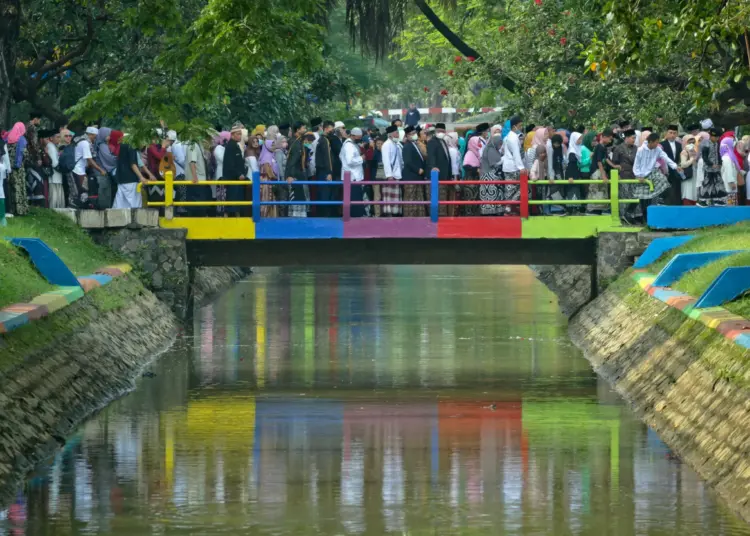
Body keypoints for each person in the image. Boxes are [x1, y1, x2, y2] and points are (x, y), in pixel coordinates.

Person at [633, 132, 680, 220]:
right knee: (640, 196)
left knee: (664, 181)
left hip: (652, 172)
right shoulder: (640, 150)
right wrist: (638, 175)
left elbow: (665, 157)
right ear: (650, 142)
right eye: (656, 142)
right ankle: (636, 215)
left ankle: (661, 200)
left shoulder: (657, 149)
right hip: (641, 175)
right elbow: (636, 164)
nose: (657, 144)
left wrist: (675, 166)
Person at [113, 139, 153, 209]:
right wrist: (141, 177)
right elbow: (133, 164)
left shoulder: (123, 146)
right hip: (131, 180)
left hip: (121, 180)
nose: (143, 146)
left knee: (120, 204)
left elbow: (139, 163)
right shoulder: (132, 147)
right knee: (135, 205)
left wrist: (150, 174)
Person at [4, 122, 29, 215]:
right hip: (18, 169)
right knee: (19, 187)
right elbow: (25, 154)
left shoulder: (8, 138)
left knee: (11, 188)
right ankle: (20, 210)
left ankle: (11, 209)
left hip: (8, 167)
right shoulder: (21, 140)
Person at [223, 123, 248, 217]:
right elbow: (230, 164)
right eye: (238, 134)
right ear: (232, 135)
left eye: (240, 134)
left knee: (237, 202)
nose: (240, 136)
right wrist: (238, 174)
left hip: (238, 178)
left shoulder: (236, 145)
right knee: (232, 201)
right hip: (233, 179)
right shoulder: (231, 146)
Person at [501, 116, 525, 210]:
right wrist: (521, 167)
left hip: (507, 166)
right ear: (514, 126)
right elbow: (516, 154)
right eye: (520, 125)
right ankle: (510, 205)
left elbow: (503, 151)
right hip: (514, 167)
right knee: (522, 188)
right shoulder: (514, 138)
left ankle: (508, 207)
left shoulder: (507, 137)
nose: (521, 127)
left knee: (509, 189)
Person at [285, 121, 309, 218]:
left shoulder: (299, 141)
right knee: (297, 198)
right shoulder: (295, 143)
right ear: (298, 130)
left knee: (300, 197)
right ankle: (296, 221)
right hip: (295, 175)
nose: (305, 130)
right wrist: (290, 175)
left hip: (299, 174)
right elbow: (292, 161)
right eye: (303, 128)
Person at [341, 127, 366, 217]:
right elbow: (350, 161)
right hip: (352, 176)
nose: (359, 139)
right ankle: (355, 217)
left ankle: (357, 215)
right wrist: (361, 158)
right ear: (353, 136)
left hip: (354, 176)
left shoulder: (351, 144)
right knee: (354, 199)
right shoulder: (349, 146)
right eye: (358, 137)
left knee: (356, 198)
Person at [402, 125, 426, 217]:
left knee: (418, 198)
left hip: (417, 176)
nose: (414, 135)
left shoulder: (414, 144)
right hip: (411, 176)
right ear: (407, 136)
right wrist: (417, 169)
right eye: (412, 134)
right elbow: (407, 161)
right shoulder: (407, 146)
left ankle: (419, 216)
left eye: (415, 133)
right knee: (411, 199)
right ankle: (410, 218)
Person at [588, 128, 614, 214]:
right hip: (597, 171)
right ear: (604, 137)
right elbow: (599, 162)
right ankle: (594, 209)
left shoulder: (604, 147)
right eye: (610, 138)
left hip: (601, 171)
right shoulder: (599, 147)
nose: (610, 141)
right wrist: (603, 174)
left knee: (602, 191)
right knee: (596, 190)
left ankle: (601, 209)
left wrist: (614, 166)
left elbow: (606, 159)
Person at [479, 132, 505, 215]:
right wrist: (503, 160)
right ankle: (490, 213)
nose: (500, 146)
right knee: (491, 196)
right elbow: (494, 163)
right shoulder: (490, 149)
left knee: (495, 196)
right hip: (489, 176)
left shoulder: (494, 149)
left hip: (491, 176)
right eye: (499, 144)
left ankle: (494, 212)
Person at [184, 133, 210, 216]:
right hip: (196, 181)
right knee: (196, 206)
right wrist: (195, 177)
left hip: (199, 180)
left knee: (199, 206)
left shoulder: (197, 145)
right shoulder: (193, 145)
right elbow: (192, 162)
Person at [315, 121, 336, 217]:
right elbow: (327, 157)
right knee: (325, 194)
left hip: (321, 171)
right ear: (327, 128)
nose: (333, 130)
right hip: (324, 171)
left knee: (322, 193)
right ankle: (324, 216)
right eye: (332, 128)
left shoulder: (322, 139)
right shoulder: (325, 140)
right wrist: (329, 172)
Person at [381, 125, 403, 216]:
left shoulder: (395, 144)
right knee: (390, 197)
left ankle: (396, 213)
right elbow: (386, 161)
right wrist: (389, 175)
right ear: (391, 134)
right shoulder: (386, 145)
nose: (398, 134)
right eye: (396, 132)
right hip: (391, 176)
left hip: (397, 174)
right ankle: (390, 214)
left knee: (396, 197)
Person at [659, 124, 683, 205]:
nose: (672, 135)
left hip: (676, 171)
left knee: (676, 191)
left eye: (674, 133)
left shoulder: (679, 145)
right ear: (667, 133)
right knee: (667, 191)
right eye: (670, 133)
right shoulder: (662, 144)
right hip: (666, 171)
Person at [720, 136, 742, 205]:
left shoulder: (729, 157)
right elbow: (728, 171)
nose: (734, 147)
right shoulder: (727, 158)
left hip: (728, 187)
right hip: (728, 188)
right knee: (730, 208)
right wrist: (731, 183)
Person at [45, 130, 63, 209]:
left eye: (60, 137)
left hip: (57, 174)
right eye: (57, 137)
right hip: (54, 174)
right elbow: (54, 163)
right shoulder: (51, 146)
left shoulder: (54, 146)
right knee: (55, 193)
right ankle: (54, 208)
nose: (59, 139)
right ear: (51, 138)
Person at [679, 134, 699, 206]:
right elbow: (683, 164)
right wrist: (691, 159)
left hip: (694, 176)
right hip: (688, 177)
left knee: (693, 194)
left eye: (693, 142)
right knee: (687, 194)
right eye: (689, 142)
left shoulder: (694, 152)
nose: (691, 144)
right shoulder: (684, 152)